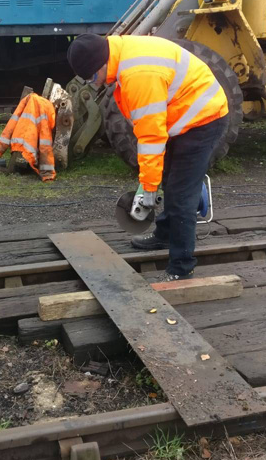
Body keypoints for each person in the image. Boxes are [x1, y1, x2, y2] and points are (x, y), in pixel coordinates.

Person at [67, 33, 229, 280]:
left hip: (204, 118)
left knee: (181, 195)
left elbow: (151, 138)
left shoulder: (138, 75)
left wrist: (149, 189)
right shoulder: (121, 52)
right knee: (170, 179)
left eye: (91, 77)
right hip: (183, 114)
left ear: (100, 65)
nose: (94, 83)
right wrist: (151, 180)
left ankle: (181, 267)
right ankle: (165, 235)